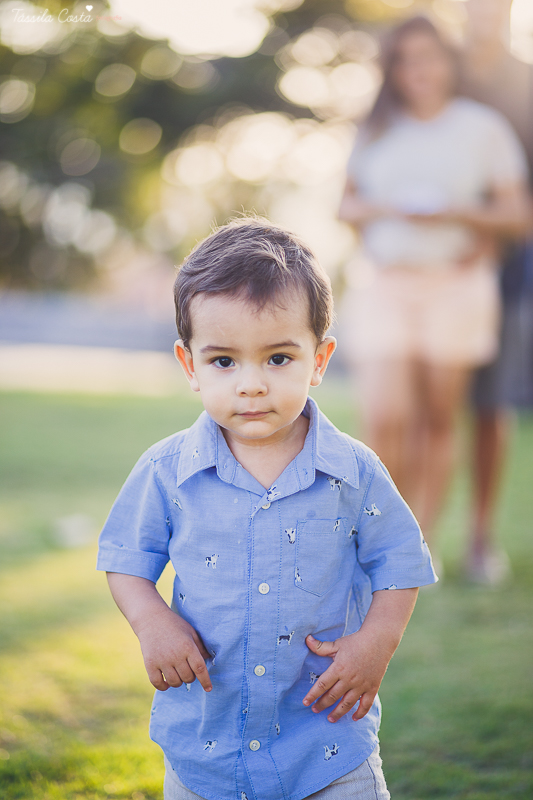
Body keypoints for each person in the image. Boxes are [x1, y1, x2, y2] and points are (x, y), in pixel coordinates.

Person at [97, 217, 437, 800]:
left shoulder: (355, 472)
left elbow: (400, 563)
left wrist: (376, 642)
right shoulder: (166, 471)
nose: (251, 384)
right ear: (190, 366)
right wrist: (152, 622)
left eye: (278, 358)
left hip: (327, 745)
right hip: (206, 748)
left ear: (320, 358)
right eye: (224, 361)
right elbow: (127, 559)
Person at [338, 16, 530, 554]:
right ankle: (377, 534)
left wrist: (456, 213)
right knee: (386, 415)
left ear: (448, 63)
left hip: (457, 286)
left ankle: (417, 543)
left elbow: (517, 213)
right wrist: (384, 209)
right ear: (392, 69)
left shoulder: (482, 127)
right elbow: (344, 204)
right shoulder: (376, 126)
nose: (418, 70)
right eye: (405, 59)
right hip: (387, 285)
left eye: (428, 57)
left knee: (439, 418)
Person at [461, 0, 533, 583]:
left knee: (492, 408)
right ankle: (412, 537)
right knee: (424, 413)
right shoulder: (438, 72)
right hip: (429, 278)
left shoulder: (527, 85)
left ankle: (481, 541)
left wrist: (488, 238)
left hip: (507, 276)